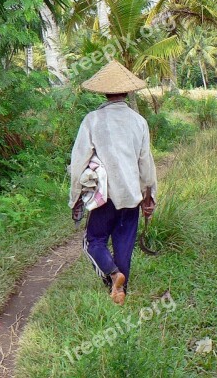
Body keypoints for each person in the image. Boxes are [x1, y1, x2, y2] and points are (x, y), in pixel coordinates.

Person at [69, 60, 157, 305]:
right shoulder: (139, 122)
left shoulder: (93, 120)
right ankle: (121, 288)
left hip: (105, 195)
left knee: (93, 240)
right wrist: (149, 199)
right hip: (131, 195)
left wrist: (74, 196)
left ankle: (113, 274)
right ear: (127, 91)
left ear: (104, 92)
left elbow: (79, 162)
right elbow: (146, 165)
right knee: (124, 243)